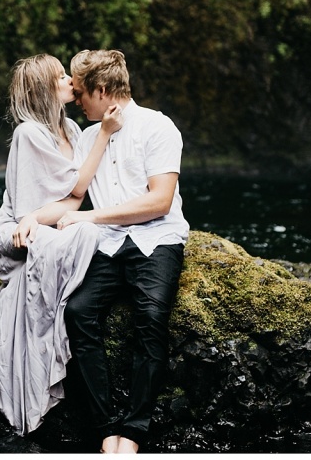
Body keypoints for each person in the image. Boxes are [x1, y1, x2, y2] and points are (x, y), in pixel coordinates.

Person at [0, 53, 124, 436]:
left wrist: (49, 217)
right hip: (18, 232)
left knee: (88, 231)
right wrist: (105, 134)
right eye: (60, 78)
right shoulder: (29, 133)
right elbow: (33, 209)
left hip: (47, 224)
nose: (70, 83)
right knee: (87, 234)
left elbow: (76, 197)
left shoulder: (72, 131)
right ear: (44, 90)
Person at [56, 49, 190, 454]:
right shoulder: (86, 136)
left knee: (150, 316)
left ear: (100, 90)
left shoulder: (157, 127)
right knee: (78, 313)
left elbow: (160, 201)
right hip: (109, 245)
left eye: (80, 94)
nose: (76, 101)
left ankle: (133, 432)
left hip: (158, 238)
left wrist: (91, 219)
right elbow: (75, 193)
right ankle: (105, 427)